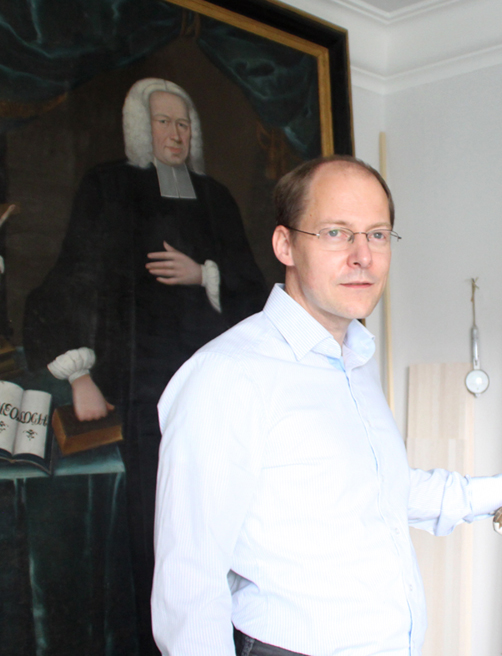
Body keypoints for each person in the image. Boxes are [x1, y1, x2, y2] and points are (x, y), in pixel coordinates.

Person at [151, 155, 502, 656]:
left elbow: (383, 490)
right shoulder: (227, 375)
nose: (362, 256)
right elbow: (188, 583)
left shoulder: (354, 362)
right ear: (286, 245)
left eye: (378, 235)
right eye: (336, 233)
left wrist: (500, 487)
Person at [24, 78, 267, 653]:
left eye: (183, 123)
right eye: (163, 122)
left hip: (216, 389)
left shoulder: (217, 199)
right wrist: (78, 372)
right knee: (158, 532)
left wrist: (203, 273)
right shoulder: (109, 187)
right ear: (141, 127)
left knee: (225, 523)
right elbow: (72, 278)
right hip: (141, 389)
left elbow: (254, 290)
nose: (175, 134)